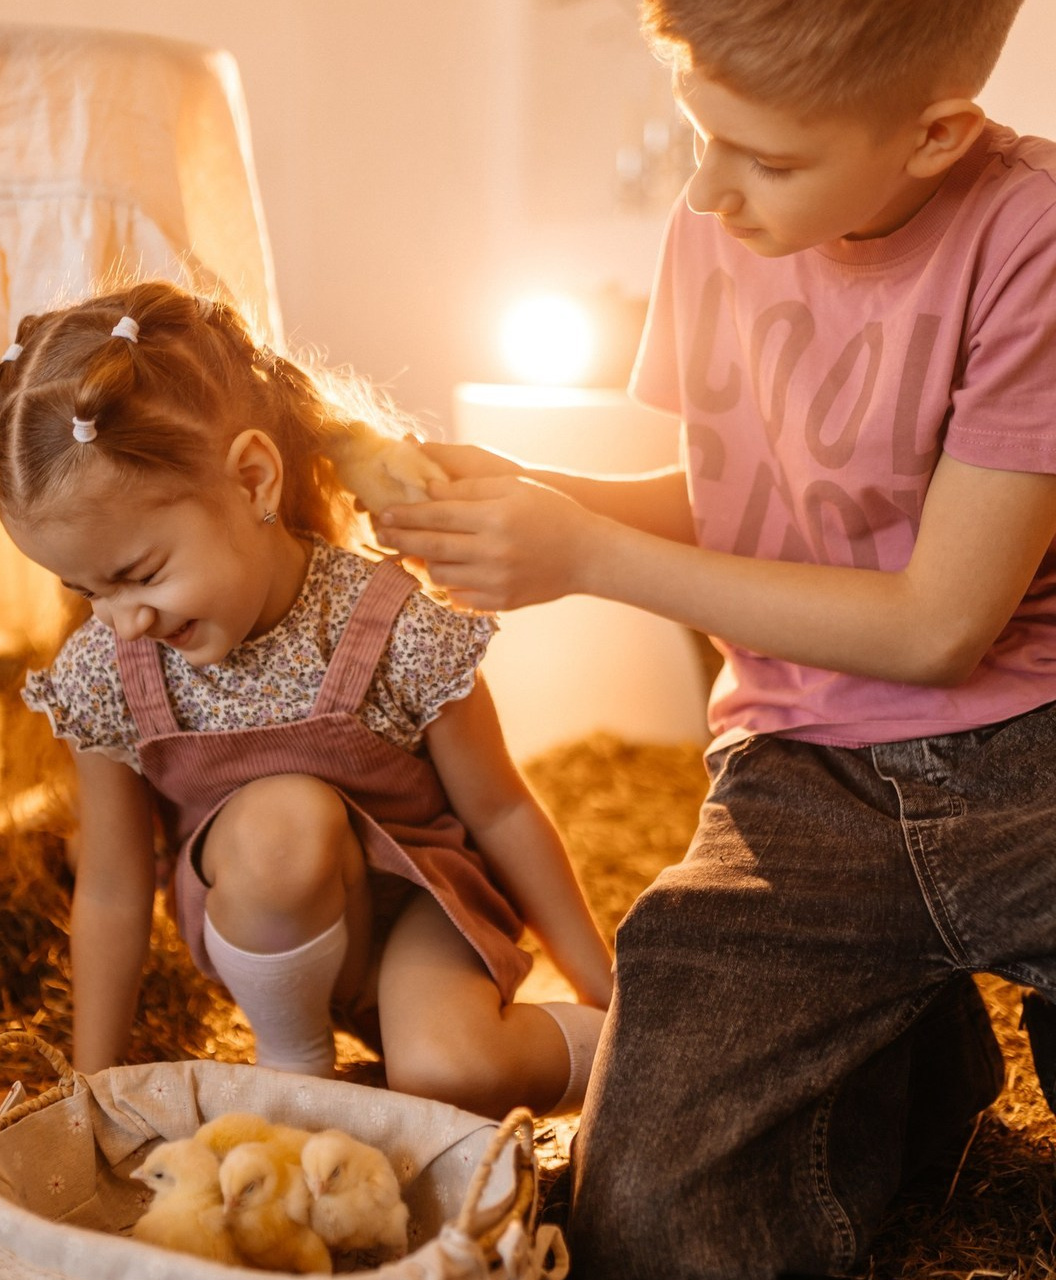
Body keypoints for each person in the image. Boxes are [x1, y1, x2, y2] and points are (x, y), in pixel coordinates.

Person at [377, 0, 1056, 1274]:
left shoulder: (1034, 237)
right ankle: (907, 1047)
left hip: (1033, 756)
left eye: (766, 159)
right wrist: (538, 494)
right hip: (803, 771)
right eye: (697, 135)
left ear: (932, 134)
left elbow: (938, 624)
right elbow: (741, 502)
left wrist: (586, 558)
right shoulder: (722, 222)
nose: (706, 191)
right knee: (646, 1224)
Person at [0, 279, 612, 1124]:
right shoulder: (106, 672)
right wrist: (88, 1091)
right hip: (265, 930)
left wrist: (611, 987)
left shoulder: (393, 627)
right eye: (86, 590)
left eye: (141, 574)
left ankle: (611, 1052)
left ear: (255, 480)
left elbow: (503, 812)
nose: (123, 622)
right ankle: (295, 1080)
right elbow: (116, 888)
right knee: (283, 819)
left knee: (453, 1076)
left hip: (422, 911)